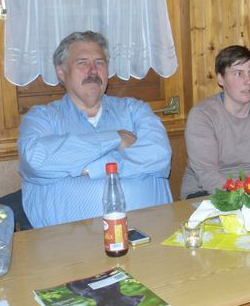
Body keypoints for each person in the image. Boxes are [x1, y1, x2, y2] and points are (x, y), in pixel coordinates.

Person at [18, 30, 173, 228]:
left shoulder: (134, 110)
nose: (93, 71)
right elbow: (36, 160)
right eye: (82, 63)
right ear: (61, 72)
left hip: (151, 232)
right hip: (67, 241)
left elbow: (159, 155)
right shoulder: (42, 118)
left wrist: (91, 167)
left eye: (100, 62)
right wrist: (115, 138)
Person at [181, 45, 250, 199]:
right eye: (238, 73)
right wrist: (242, 201)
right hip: (207, 192)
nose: (248, 81)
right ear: (221, 79)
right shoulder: (203, 115)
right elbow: (207, 174)